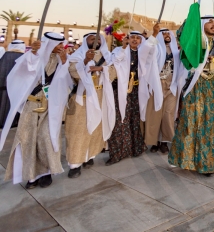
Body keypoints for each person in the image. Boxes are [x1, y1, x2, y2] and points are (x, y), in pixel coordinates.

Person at [0, 32, 71, 188]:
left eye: (61, 44)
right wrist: (33, 53)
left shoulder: (62, 59)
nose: (60, 47)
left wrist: (65, 63)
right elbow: (25, 69)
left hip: (50, 107)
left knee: (46, 138)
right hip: (31, 106)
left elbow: (65, 81)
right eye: (57, 44)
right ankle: (31, 176)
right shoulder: (34, 56)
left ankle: (46, 173)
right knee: (28, 139)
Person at [169, 16, 214, 175]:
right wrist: (191, 21)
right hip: (195, 88)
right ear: (202, 24)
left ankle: (208, 164)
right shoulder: (195, 43)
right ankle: (187, 161)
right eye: (210, 22)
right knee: (191, 125)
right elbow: (181, 36)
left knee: (211, 128)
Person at [108, 26, 162, 165]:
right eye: (132, 37)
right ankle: (118, 153)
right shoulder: (118, 51)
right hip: (120, 91)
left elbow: (149, 49)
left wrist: (154, 34)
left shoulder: (143, 53)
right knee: (120, 121)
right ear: (128, 39)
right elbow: (115, 61)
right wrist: (123, 48)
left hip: (136, 92)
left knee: (135, 120)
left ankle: (135, 149)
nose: (135, 40)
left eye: (138, 38)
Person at [65, 32, 115, 178]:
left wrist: (101, 69)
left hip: (100, 96)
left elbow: (115, 71)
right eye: (92, 38)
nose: (96, 41)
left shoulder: (107, 57)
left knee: (96, 128)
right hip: (83, 97)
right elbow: (73, 73)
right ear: (85, 40)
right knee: (78, 130)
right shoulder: (76, 56)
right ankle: (75, 164)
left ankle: (90, 156)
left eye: (98, 39)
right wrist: (86, 61)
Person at [146, 28, 181, 154]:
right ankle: (154, 142)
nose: (167, 35)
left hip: (171, 85)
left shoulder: (176, 51)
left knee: (168, 114)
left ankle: (165, 142)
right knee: (156, 114)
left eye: (169, 34)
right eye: (164, 33)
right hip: (157, 84)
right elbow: (146, 50)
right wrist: (154, 34)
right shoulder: (156, 49)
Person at [0, 40, 26, 129]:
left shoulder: (4, 56)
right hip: (17, 89)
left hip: (2, 88)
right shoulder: (24, 57)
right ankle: (12, 122)